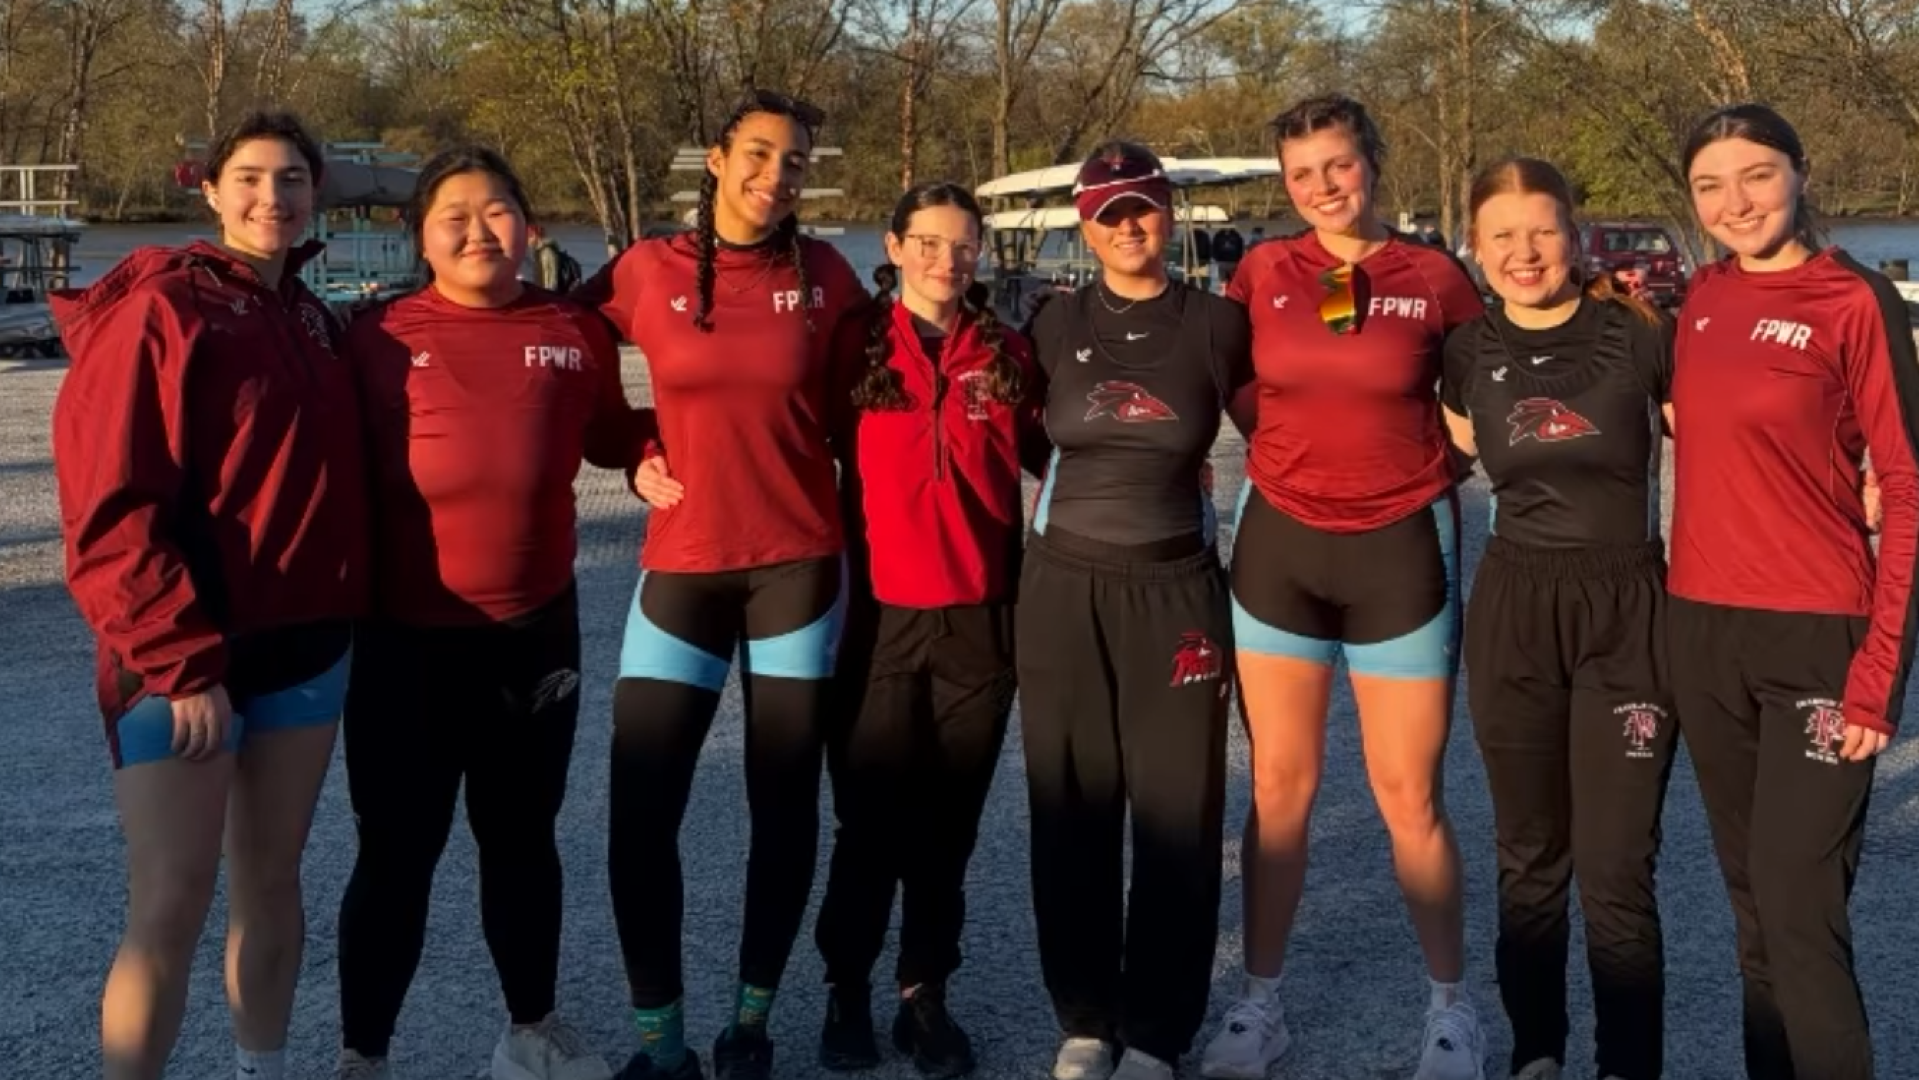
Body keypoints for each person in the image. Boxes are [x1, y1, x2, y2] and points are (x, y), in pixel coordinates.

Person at [50, 110, 364, 1080]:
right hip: (184, 660)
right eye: (252, 178)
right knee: (171, 905)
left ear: (318, 192)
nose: (274, 197)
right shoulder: (165, 308)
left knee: (272, 888)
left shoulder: (313, 316)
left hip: (305, 648)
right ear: (211, 190)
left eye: (294, 180)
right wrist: (178, 661)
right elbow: (108, 506)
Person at [332, 147, 655, 1080]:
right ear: (419, 235)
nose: (481, 232)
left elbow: (608, 433)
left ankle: (530, 1032)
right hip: (405, 643)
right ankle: (364, 1055)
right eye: (456, 216)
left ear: (530, 224)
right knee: (396, 851)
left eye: (500, 211)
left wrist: (649, 452)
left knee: (521, 841)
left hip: (532, 634)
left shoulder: (571, 328)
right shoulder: (373, 334)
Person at [575, 88, 869, 1080]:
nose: (772, 177)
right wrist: (626, 446)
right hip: (683, 569)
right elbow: (558, 355)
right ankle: (660, 1043)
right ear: (714, 157)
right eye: (755, 154)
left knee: (782, 805)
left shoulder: (825, 273)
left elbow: (876, 395)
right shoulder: (645, 269)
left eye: (791, 162)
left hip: (795, 568)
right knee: (639, 811)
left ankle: (751, 1021)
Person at [1203, 93, 1488, 1080]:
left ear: (1373, 159)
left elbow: (1482, 401)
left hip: (1398, 552)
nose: (1323, 185)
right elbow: (1231, 385)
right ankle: (1258, 1005)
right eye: (1301, 173)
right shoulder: (1260, 271)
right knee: (1279, 790)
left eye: (1339, 163)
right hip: (1279, 545)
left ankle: (1451, 1009)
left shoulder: (1434, 276)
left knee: (1408, 796)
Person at [1669, 102, 1912, 1080]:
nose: (1735, 201)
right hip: (1701, 631)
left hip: (1817, 634)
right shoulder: (1697, 296)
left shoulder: (1852, 299)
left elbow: (1903, 481)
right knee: (1751, 914)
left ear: (1799, 173)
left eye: (1756, 174)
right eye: (1709, 185)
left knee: (1797, 911)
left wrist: (1877, 675)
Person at [1016, 139, 1254, 1080]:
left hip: (1176, 587)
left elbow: (1288, 435)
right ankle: (1085, 1015)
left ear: (1169, 212)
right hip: (1064, 585)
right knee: (1071, 803)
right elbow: (1012, 435)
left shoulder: (1217, 323)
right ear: (1085, 224)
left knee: (1176, 813)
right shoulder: (1050, 321)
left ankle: (1157, 1028)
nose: (1128, 226)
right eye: (1108, 212)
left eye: (1142, 207)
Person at [1440, 157, 1678, 1080]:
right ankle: (1536, 1053)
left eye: (1541, 229)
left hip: (1628, 610)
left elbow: (1728, 439)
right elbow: (1449, 451)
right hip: (1516, 608)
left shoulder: (1640, 332)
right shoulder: (1466, 352)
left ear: (1574, 234)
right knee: (1530, 859)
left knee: (1618, 870)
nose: (1522, 251)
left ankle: (1626, 1064)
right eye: (1501, 235)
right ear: (1476, 246)